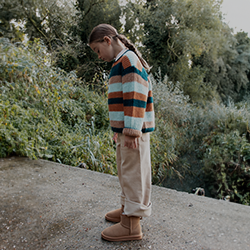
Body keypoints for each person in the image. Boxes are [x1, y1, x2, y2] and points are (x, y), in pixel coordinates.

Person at [88, 24, 155, 242]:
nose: (98, 56)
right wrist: (120, 129)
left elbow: (136, 94)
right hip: (126, 130)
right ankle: (127, 210)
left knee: (134, 174)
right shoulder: (121, 61)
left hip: (134, 131)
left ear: (108, 40)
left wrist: (132, 131)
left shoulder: (128, 60)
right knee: (125, 171)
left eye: (98, 50)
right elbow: (123, 98)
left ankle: (131, 225)